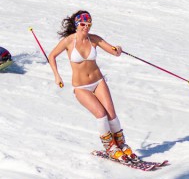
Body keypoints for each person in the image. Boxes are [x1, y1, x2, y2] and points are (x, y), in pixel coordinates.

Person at [48, 10, 135, 160]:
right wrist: (57, 75)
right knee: (101, 114)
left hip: (98, 81)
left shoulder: (94, 39)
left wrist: (118, 49)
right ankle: (110, 148)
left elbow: (114, 51)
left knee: (111, 115)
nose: (86, 27)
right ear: (76, 24)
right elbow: (52, 56)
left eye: (89, 24)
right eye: (83, 24)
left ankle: (121, 144)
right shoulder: (69, 41)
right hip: (81, 87)